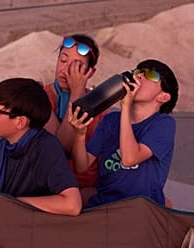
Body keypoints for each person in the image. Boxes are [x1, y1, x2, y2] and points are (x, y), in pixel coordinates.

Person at [67, 59, 179, 208]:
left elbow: (130, 159)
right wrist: (79, 134)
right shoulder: (110, 120)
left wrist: (125, 106)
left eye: (151, 75)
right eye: (139, 71)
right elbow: (82, 165)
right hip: (104, 205)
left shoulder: (163, 124)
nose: (139, 76)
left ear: (163, 97)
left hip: (141, 209)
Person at [0, 78, 81, 216]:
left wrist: (14, 204)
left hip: (33, 232)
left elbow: (72, 204)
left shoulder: (46, 147)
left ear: (20, 122)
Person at [43, 34, 105, 192]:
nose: (66, 70)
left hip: (87, 185)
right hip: (52, 185)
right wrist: (76, 92)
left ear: (90, 72)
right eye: (63, 61)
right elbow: (62, 146)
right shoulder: (42, 97)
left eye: (76, 66)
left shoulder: (100, 105)